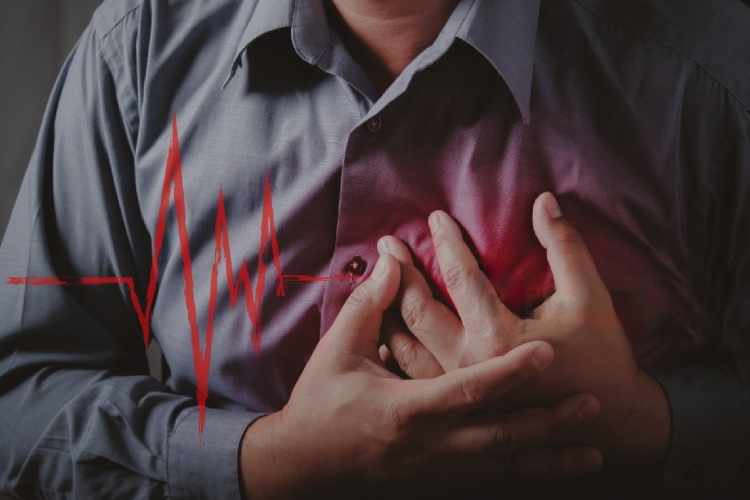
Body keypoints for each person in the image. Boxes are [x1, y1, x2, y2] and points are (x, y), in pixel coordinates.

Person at [0, 0, 748, 498]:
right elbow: (20, 395)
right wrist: (260, 462)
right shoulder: (135, 50)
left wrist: (643, 420)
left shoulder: (718, 69)